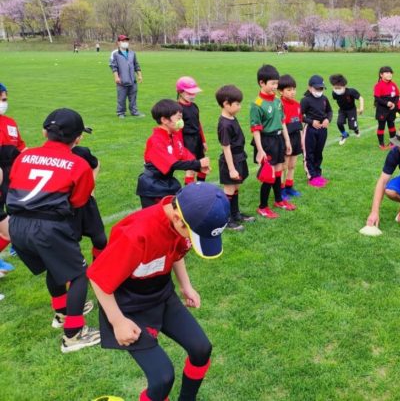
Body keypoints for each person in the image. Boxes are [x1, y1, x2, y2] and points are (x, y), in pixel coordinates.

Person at [88, 182, 230, 401]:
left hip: (161, 293)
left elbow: (174, 252)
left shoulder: (181, 220)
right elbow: (98, 278)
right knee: (162, 378)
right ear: (177, 219)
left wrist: (186, 286)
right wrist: (117, 321)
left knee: (201, 349)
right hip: (129, 306)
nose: (192, 241)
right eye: (194, 236)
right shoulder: (136, 235)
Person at [7, 108, 99, 352]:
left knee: (53, 266)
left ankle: (62, 313)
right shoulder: (78, 164)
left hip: (16, 224)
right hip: (48, 227)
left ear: (44, 132)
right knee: (78, 274)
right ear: (78, 138)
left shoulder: (24, 157)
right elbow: (79, 201)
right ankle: (73, 334)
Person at [136, 99, 210, 209]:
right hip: (152, 187)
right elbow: (173, 164)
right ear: (164, 120)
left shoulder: (173, 136)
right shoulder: (156, 140)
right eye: (178, 118)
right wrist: (198, 164)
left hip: (167, 182)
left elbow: (183, 154)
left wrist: (199, 167)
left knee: (174, 214)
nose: (181, 122)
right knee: (157, 216)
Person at [249, 65, 295, 218]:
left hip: (279, 139)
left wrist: (287, 141)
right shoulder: (257, 104)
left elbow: (282, 122)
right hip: (266, 141)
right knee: (269, 174)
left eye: (277, 83)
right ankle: (262, 207)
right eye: (272, 83)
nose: (275, 86)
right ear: (262, 83)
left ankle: (278, 200)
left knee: (279, 170)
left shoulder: (277, 101)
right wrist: (260, 150)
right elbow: (255, 130)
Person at [216, 85, 254, 231]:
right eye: (237, 104)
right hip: (230, 160)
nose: (240, 106)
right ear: (226, 104)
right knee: (229, 189)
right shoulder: (224, 124)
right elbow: (226, 147)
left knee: (236, 186)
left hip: (239, 157)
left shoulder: (231, 117)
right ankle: (227, 220)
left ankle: (235, 214)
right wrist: (231, 169)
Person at [0, 82, 26, 275]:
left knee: (16, 206)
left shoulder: (10, 122)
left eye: (5, 99)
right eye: (1, 99)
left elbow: (20, 147)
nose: (4, 102)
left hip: (12, 172)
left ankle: (17, 244)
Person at [301, 75, 333, 187]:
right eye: (317, 88)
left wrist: (327, 119)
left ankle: (318, 174)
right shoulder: (305, 100)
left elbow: (329, 111)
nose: (319, 91)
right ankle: (311, 176)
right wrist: (311, 122)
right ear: (309, 88)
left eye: (321, 88)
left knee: (318, 153)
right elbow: (299, 116)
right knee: (309, 153)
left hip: (322, 130)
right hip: (310, 130)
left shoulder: (324, 99)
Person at [176, 77, 207, 185]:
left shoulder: (194, 106)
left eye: (194, 93)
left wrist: (203, 141)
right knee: (191, 169)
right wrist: (180, 146)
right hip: (187, 141)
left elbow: (198, 124)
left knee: (203, 166)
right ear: (180, 92)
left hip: (197, 139)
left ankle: (201, 187)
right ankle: (189, 191)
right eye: (189, 93)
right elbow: (177, 130)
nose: (193, 96)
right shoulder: (177, 109)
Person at [278, 75, 304, 198]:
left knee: (292, 165)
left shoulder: (297, 105)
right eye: (289, 90)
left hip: (296, 137)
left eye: (294, 89)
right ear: (281, 91)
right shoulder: (279, 105)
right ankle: (281, 189)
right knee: (284, 166)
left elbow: (300, 123)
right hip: (285, 138)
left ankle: (289, 187)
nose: (292, 92)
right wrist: (286, 140)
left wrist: (302, 139)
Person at [110, 35, 144, 119]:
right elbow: (114, 67)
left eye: (126, 41)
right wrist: (116, 77)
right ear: (118, 42)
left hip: (132, 80)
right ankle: (120, 112)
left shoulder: (132, 53)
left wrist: (139, 75)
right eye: (123, 41)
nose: (125, 43)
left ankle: (134, 112)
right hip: (122, 81)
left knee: (133, 97)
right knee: (121, 98)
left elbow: (136, 65)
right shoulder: (115, 54)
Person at [329, 74, 364, 146]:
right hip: (342, 110)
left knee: (353, 127)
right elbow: (338, 101)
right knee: (339, 123)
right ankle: (344, 134)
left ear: (344, 86)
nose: (337, 90)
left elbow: (361, 98)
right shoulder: (334, 93)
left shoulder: (351, 91)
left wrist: (361, 108)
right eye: (335, 88)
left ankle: (356, 130)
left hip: (351, 110)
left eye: (339, 88)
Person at [374, 66, 400, 150]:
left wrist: (394, 104)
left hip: (392, 109)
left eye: (390, 73)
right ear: (381, 75)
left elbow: (397, 96)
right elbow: (377, 98)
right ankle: (381, 144)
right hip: (382, 110)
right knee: (381, 126)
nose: (389, 74)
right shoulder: (378, 85)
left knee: (391, 125)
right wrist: (386, 103)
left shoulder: (393, 84)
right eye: (387, 73)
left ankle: (393, 142)